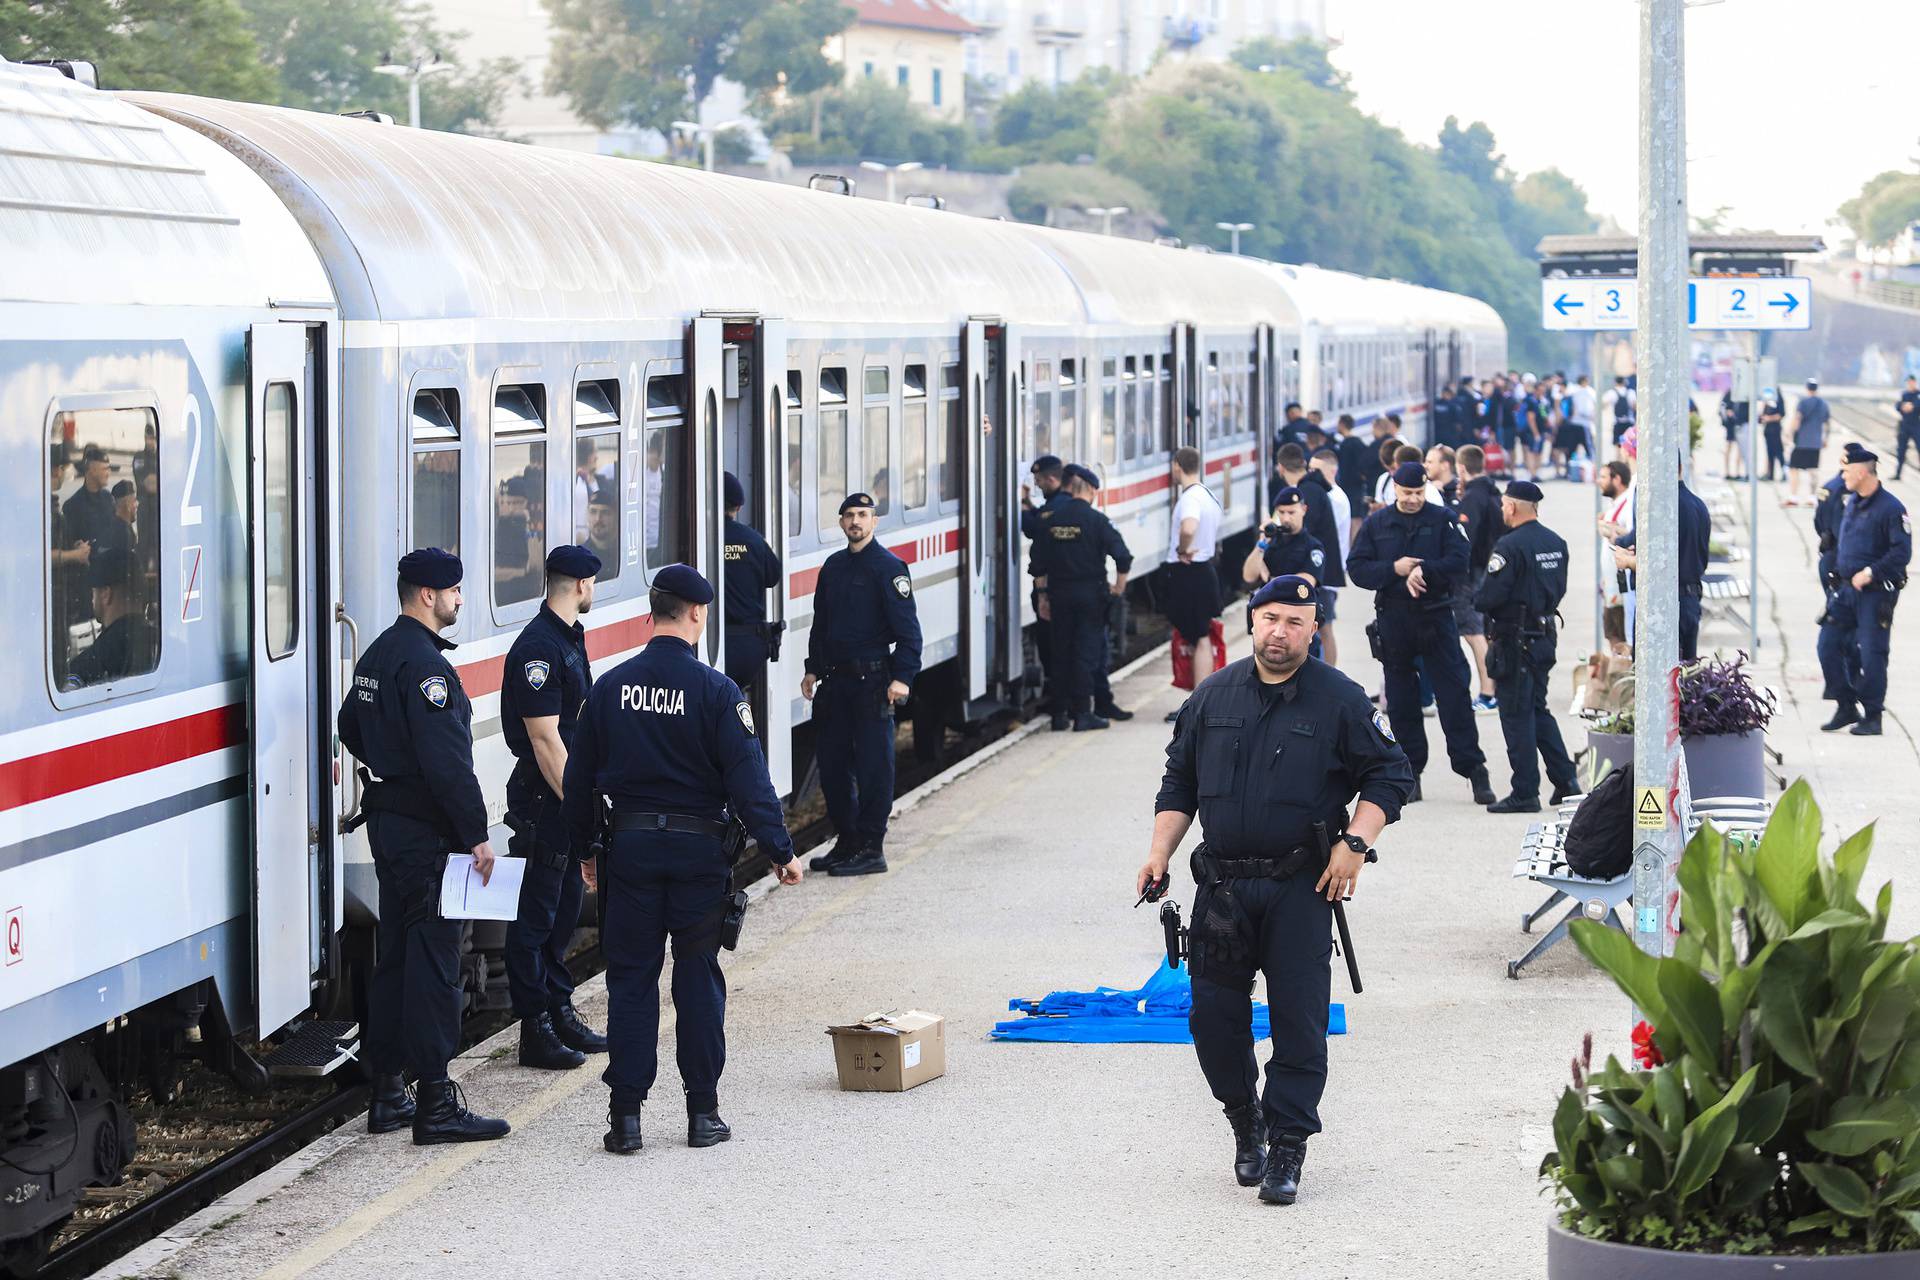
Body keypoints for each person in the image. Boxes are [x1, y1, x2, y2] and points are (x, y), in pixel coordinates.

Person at [1138, 574, 1414, 1206]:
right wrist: (1159, 854)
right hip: (1224, 888)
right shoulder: (1212, 696)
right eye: (1270, 620)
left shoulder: (1340, 699)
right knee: (1213, 1020)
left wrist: (1356, 844)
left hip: (1301, 887)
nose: (1280, 633)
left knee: (1299, 1023)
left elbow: (1390, 775)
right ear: (1251, 622)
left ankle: (1289, 1143)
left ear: (1313, 629)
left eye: (1295, 622)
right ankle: (1245, 1121)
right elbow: (1178, 783)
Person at [562, 564, 803, 1155]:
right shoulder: (718, 693)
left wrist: (585, 850)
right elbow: (750, 783)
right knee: (697, 981)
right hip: (699, 858)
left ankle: (626, 1121)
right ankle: (702, 1115)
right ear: (697, 614)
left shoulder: (610, 688)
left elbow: (579, 780)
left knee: (632, 983)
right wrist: (780, 851)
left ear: (653, 613)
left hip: (632, 853)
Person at [337, 549, 509, 1145]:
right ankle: (435, 1102)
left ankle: (387, 1093)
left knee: (397, 961)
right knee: (436, 963)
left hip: (389, 826)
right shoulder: (426, 669)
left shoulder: (379, 652)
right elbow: (447, 763)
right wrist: (476, 836)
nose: (460, 599)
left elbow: (348, 727)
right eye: (454, 591)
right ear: (427, 596)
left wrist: (389, 767)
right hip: (427, 835)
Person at [498, 546, 609, 1072]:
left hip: (563, 796)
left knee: (563, 908)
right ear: (582, 583)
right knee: (536, 916)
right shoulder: (539, 648)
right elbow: (545, 741)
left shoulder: (566, 638)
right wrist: (582, 804)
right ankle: (535, 1027)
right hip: (547, 799)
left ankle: (559, 1008)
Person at [1345, 462, 1494, 805]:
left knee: (1454, 695)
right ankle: (1411, 773)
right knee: (1401, 701)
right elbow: (1357, 568)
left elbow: (1461, 562)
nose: (1412, 499)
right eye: (1406, 492)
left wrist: (1423, 570)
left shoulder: (1442, 520)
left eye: (1418, 492)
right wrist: (1395, 570)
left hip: (1436, 617)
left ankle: (1473, 769)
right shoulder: (1377, 523)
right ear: (1394, 489)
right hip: (1395, 619)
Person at [803, 493, 922, 875]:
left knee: (874, 767)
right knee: (834, 766)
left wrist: (902, 677)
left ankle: (872, 847)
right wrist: (811, 669)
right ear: (840, 523)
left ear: (874, 522)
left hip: (873, 679)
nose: (855, 521)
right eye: (849, 515)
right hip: (835, 681)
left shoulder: (889, 568)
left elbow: (909, 633)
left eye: (863, 515)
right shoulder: (833, 567)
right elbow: (821, 625)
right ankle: (848, 840)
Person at [1473, 482, 1578, 812]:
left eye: (1504, 505)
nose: (1502, 510)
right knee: (1537, 709)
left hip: (1515, 641)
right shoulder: (1555, 543)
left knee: (1517, 715)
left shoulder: (1509, 546)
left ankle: (1525, 792)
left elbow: (1489, 597)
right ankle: (1566, 781)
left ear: (1513, 507)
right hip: (1544, 635)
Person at [1817, 444, 1910, 736]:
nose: (1842, 475)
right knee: (1827, 645)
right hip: (1844, 592)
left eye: (1846, 471)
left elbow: (1901, 553)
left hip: (1874, 594)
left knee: (1872, 654)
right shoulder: (1852, 502)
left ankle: (1872, 715)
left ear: (1861, 471)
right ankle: (1846, 705)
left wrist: (1870, 572)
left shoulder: (1891, 509)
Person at [1039, 464, 1132, 732]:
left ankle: (1059, 715)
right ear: (1090, 489)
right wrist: (1119, 586)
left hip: (1059, 595)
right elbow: (1122, 556)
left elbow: (1039, 565)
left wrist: (1044, 597)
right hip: (1090, 597)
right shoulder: (1097, 521)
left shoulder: (1052, 520)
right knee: (1085, 655)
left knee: (1061, 652)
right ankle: (1082, 714)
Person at [1612, 466, 1711, 660]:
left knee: (1657, 682)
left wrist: (1628, 561)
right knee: (1684, 680)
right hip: (1690, 601)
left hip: (1664, 606)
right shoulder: (1698, 505)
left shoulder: (1664, 508)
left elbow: (1659, 567)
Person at [1165, 448, 1226, 717]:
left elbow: (1189, 527)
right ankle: (1200, 702)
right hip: (1204, 571)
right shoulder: (1208, 495)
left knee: (1199, 637)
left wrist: (1181, 548)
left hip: (1189, 572)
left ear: (1177, 466)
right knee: (1199, 635)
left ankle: (1198, 705)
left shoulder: (1190, 499)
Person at [720, 471, 782, 712]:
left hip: (718, 640)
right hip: (750, 644)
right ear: (738, 505)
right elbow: (772, 577)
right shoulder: (754, 540)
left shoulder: (702, 539)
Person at [1454, 445, 1505, 712]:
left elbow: (1465, 539)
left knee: (1473, 632)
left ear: (1461, 468)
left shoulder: (1473, 499)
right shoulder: (1494, 493)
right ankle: (1494, 689)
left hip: (1472, 573)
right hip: (1491, 570)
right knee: (1484, 630)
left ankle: (1487, 693)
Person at [1021, 455, 1069, 723]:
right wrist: (1027, 502)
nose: (1038, 486)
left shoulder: (1056, 507)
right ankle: (1061, 703)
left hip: (1050, 590)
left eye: (1039, 482)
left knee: (1052, 647)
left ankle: (1058, 706)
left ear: (1052, 479)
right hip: (1059, 588)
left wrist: (1022, 505)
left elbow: (1033, 528)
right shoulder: (1058, 503)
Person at [64, 545, 149, 689]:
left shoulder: (86, 667)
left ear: (105, 594)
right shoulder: (164, 647)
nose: (92, 600)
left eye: (94, 592)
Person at [1308, 446, 1353, 662]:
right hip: (1325, 572)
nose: (1312, 475)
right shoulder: (1330, 495)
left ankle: (1330, 674)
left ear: (1332, 471)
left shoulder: (1333, 498)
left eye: (1316, 471)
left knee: (1324, 629)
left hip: (1326, 575)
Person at [1786, 379, 1830, 507]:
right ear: (1816, 388)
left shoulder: (1803, 402)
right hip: (1815, 442)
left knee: (1794, 468)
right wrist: (1825, 438)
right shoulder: (1823, 404)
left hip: (1801, 442)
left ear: (1807, 388)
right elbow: (1827, 423)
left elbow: (1797, 419)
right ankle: (1812, 497)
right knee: (1813, 470)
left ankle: (1793, 496)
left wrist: (1790, 434)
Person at [1718, 388, 1750, 481]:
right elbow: (1723, 406)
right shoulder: (1730, 392)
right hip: (1731, 425)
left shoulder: (1745, 393)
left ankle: (1737, 471)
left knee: (1740, 449)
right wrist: (1728, 413)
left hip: (1741, 424)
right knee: (1729, 447)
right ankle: (1727, 471)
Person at [1894, 376, 1920, 481]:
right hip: (1904, 426)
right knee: (1901, 450)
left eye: (1912, 382)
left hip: (1916, 425)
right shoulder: (1904, 394)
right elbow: (1897, 405)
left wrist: (1912, 406)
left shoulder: (1918, 394)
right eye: (1908, 382)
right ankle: (1898, 474)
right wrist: (1903, 406)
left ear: (1915, 382)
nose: (1910, 384)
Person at [1758, 388, 1787, 482]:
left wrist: (1769, 418)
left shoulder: (1778, 396)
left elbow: (1782, 414)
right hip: (1767, 430)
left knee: (1779, 452)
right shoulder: (1767, 395)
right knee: (1770, 453)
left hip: (1775, 429)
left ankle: (1785, 472)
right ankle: (1770, 474)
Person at [1603, 376, 1637, 447]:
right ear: (1624, 382)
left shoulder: (1611, 393)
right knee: (1630, 445)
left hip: (1617, 422)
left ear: (1615, 382)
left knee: (1618, 445)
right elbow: (1635, 407)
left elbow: (1603, 404)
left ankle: (1618, 457)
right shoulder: (1631, 392)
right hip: (1629, 422)